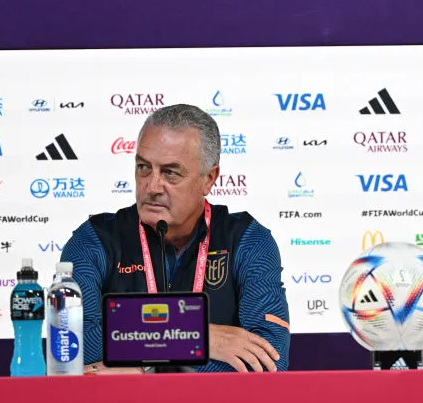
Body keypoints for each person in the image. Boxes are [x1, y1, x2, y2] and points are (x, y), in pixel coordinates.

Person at [61, 104, 290, 373]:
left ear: (209, 179)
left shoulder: (247, 240)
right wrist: (199, 337)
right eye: (143, 167)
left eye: (170, 172)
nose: (152, 186)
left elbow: (269, 363)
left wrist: (137, 365)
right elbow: (70, 345)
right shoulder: (93, 240)